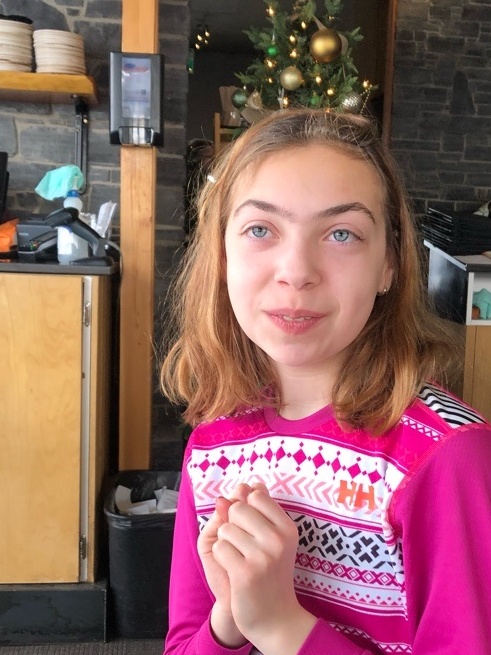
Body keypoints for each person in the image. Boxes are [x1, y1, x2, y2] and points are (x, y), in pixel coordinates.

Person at [159, 108, 491, 655]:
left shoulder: (447, 458)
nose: (296, 271)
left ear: (389, 265)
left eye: (341, 234)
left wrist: (280, 625)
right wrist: (230, 621)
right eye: (260, 229)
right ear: (221, 255)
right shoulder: (213, 445)